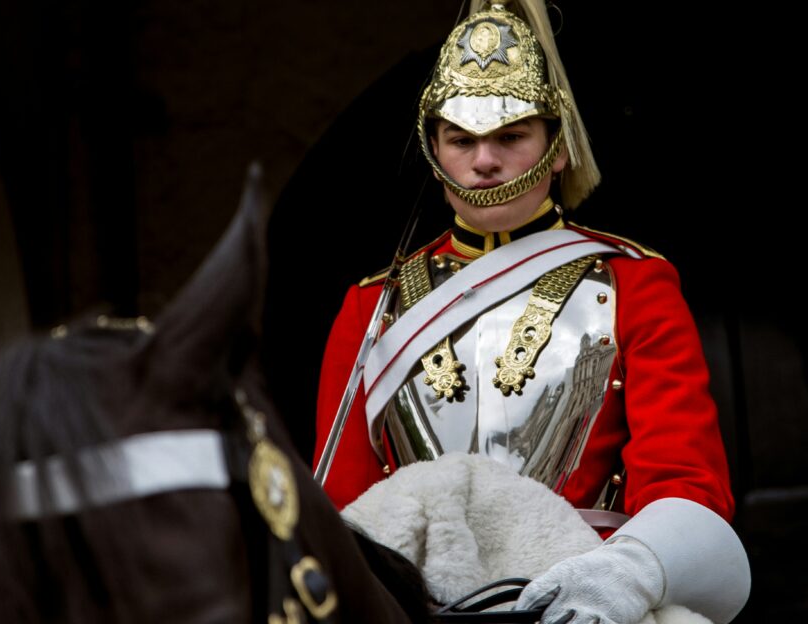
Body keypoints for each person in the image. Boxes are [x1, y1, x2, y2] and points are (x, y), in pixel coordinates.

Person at [313, 1, 750, 622]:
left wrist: (620, 578)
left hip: (587, 590)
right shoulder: (370, 304)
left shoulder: (634, 282)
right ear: (434, 147)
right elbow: (343, 505)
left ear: (559, 147)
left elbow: (684, 480)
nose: (484, 162)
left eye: (511, 136)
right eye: (461, 139)